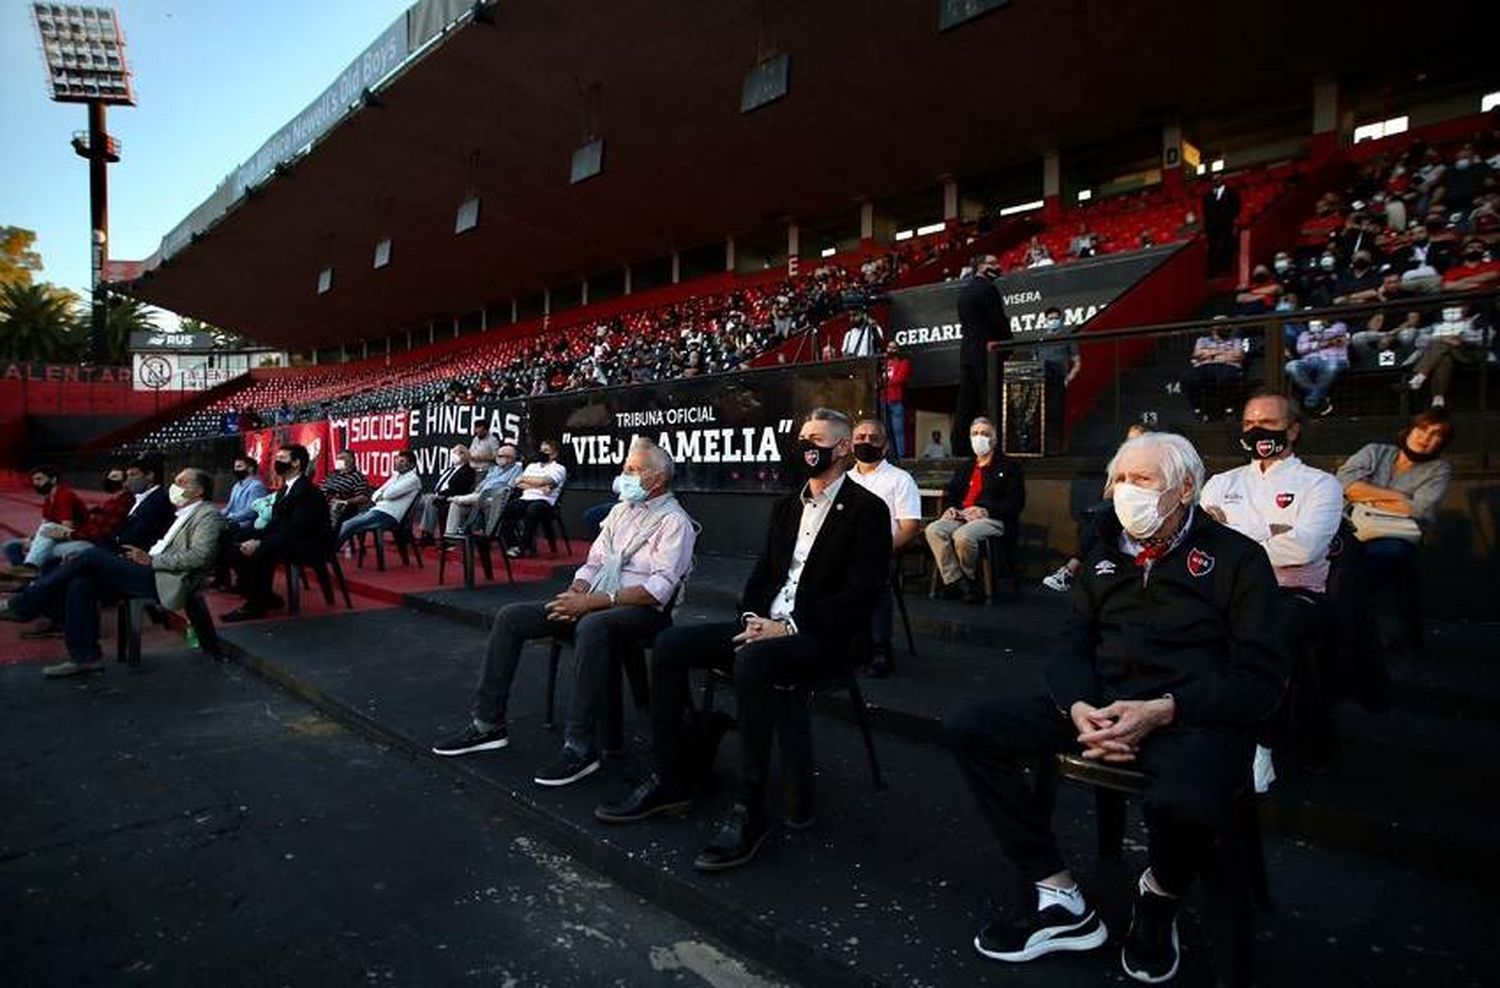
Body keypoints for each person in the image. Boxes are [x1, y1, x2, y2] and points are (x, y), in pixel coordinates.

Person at [946, 431, 1286, 980]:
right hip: (1100, 706)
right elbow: (1071, 644)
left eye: (1142, 480)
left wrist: (1164, 710)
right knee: (972, 728)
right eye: (1120, 480)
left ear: (1184, 490)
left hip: (1187, 714)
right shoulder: (1101, 550)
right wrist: (1079, 705)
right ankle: (1058, 895)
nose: (1126, 492)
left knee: (1185, 803)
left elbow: (1262, 678)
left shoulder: (1237, 559)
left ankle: (1159, 895)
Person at [593, 409, 890, 872]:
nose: (805, 446)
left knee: (754, 663)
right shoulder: (787, 505)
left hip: (820, 637)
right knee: (672, 647)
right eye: (801, 437)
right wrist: (753, 617)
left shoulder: (869, 510)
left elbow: (860, 593)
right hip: (764, 627)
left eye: (816, 438)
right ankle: (669, 778)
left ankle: (749, 809)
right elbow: (762, 576)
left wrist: (787, 627)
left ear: (844, 447)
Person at [431, 439, 696, 787]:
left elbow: (657, 590)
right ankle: (487, 724)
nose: (624, 476)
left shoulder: (675, 522)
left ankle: (580, 746)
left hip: (641, 611)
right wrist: (576, 591)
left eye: (632, 470)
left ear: (657, 479)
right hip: (596, 601)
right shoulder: (620, 511)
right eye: (625, 468)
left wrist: (591, 604)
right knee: (512, 616)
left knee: (592, 626)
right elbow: (593, 564)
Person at [1200, 392, 1343, 788]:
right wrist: (1270, 534)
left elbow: (1305, 548)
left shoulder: (1321, 484)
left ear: (1293, 430)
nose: (1258, 431)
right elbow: (1201, 541)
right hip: (1225, 591)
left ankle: (1262, 742)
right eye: (1249, 424)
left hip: (1294, 595)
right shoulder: (1220, 483)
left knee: (1265, 631)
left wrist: (1234, 537)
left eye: (1270, 423)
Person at [0, 468, 225, 679]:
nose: (174, 486)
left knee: (91, 557)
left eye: (181, 483)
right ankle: (85, 657)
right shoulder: (179, 513)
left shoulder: (207, 516)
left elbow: (200, 556)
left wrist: (152, 559)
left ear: (198, 491)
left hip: (166, 578)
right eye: (175, 481)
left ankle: (23, 604)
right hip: (147, 568)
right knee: (81, 583)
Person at [1336, 410, 1454, 648]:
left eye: (1436, 435)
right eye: (1422, 429)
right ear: (1410, 430)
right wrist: (1400, 497)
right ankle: (1354, 629)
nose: (1426, 438)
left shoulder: (1439, 469)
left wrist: (1366, 496)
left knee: (1383, 559)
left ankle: (1359, 631)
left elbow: (1420, 509)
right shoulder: (1375, 452)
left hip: (1396, 535)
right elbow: (1343, 483)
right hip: (1353, 526)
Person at [221, 444, 332, 622]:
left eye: (282, 458)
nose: (277, 462)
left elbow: (297, 529)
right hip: (287, 536)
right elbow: (276, 523)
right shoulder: (284, 489)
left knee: (262, 550)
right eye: (277, 458)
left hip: (308, 543)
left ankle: (255, 605)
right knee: (237, 541)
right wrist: (255, 536)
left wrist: (260, 542)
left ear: (296, 463)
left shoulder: (307, 492)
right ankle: (264, 596)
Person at [848, 418, 923, 677]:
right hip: (845, 554)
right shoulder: (842, 481)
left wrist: (879, 552)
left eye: (873, 438)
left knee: (874, 578)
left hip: (884, 553)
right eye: (860, 438)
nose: (866, 442)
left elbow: (910, 527)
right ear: (849, 444)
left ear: (886, 445)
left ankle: (880, 648)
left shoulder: (900, 480)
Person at [925, 417, 1026, 603]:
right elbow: (953, 493)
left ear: (994, 440)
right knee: (934, 529)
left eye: (985, 434)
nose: (979, 438)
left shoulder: (1009, 466)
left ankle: (971, 579)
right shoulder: (966, 467)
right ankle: (956, 580)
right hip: (962, 515)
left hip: (994, 518)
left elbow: (1016, 502)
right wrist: (951, 509)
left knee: (963, 536)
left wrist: (986, 511)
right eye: (975, 434)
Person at [1042, 423, 1150, 592]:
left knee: (1101, 520)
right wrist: (1120, 482)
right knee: (1096, 520)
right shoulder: (1119, 464)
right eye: (1129, 440)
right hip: (1119, 509)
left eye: (1136, 441)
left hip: (1143, 512)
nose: (1131, 445)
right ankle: (1086, 577)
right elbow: (1106, 495)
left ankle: (1071, 569)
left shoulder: (1153, 464)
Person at [954, 254, 1011, 457]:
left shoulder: (964, 292)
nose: (997, 266)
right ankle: (994, 446)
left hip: (967, 352)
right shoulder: (988, 289)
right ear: (980, 267)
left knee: (966, 401)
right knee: (991, 398)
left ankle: (959, 446)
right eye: (992, 264)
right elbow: (998, 321)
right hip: (987, 353)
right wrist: (1008, 342)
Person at [3, 464, 88, 575]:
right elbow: (45, 525)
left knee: (47, 531)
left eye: (39, 479)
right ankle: (25, 581)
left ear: (53, 480)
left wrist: (36, 543)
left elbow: (66, 529)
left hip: (78, 540)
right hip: (54, 538)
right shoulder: (49, 499)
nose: (35, 483)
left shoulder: (65, 495)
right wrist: (32, 540)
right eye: (33, 480)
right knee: (10, 546)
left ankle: (29, 568)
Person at [1406, 304, 1490, 408]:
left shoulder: (1472, 322)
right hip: (1443, 354)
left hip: (1466, 353)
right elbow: (1419, 340)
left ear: (1466, 308)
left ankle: (1420, 376)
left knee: (1440, 344)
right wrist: (1443, 338)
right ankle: (1438, 399)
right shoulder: (1438, 325)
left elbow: (1486, 337)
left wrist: (1462, 338)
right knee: (1445, 359)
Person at [336, 450, 423, 549]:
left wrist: (383, 495)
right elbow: (375, 495)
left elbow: (389, 494)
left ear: (411, 465)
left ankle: (328, 552)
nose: (397, 462)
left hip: (389, 516)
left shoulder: (413, 479)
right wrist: (382, 495)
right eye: (397, 459)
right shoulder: (396, 476)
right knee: (346, 523)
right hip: (378, 510)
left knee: (349, 524)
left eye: (402, 461)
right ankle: (329, 550)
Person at [502, 440, 568, 556]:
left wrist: (527, 480)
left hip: (545, 502)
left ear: (554, 454)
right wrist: (540, 486)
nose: (543, 453)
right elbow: (518, 482)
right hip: (526, 498)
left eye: (546, 451)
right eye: (541, 450)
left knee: (533, 510)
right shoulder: (532, 466)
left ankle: (523, 547)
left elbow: (545, 480)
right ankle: (512, 545)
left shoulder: (559, 468)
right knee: (508, 509)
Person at [445, 443, 523, 537]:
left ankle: (459, 499)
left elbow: (510, 487)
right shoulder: (494, 469)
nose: (498, 458)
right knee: (455, 504)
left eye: (500, 456)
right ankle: (450, 535)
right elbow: (484, 483)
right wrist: (478, 488)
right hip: (480, 496)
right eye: (498, 456)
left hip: (495, 498)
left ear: (510, 458)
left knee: (463, 499)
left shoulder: (516, 469)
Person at [1285, 318, 1349, 417]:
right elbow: (1301, 349)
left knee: (1332, 366)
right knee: (1291, 366)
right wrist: (1326, 343)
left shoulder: (1339, 325)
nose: (1315, 324)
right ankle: (1319, 396)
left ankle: (1312, 400)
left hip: (1334, 359)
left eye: (1318, 321)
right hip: (1310, 362)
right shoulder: (1304, 334)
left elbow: (1336, 332)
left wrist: (1316, 339)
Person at [1181, 321, 1244, 422]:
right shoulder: (1202, 340)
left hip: (1227, 366)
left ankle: (1228, 409)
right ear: (1213, 328)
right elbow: (1196, 355)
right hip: (1204, 368)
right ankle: (1198, 409)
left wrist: (1209, 353)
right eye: (1220, 324)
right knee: (1189, 379)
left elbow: (1238, 356)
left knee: (1225, 378)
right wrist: (1223, 351)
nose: (1224, 327)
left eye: (1226, 325)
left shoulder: (1236, 341)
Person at [416, 445, 477, 543]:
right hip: (439, 494)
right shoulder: (450, 469)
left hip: (452, 497)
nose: (453, 455)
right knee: (419, 499)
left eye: (456, 453)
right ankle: (424, 532)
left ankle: (428, 533)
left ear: (463, 455)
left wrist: (441, 495)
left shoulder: (468, 471)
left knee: (431, 500)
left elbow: (459, 488)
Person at [1202, 173, 1241, 276]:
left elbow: (1237, 208)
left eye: (1218, 178)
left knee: (1227, 247)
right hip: (1212, 228)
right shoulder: (1207, 196)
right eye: (1214, 179)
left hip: (1226, 226)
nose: (1217, 181)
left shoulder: (1231, 192)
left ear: (1222, 179)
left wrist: (1229, 219)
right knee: (1212, 249)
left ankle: (1226, 270)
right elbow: (1206, 213)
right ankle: (1213, 272)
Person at [322, 450, 372, 526]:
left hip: (341, 507)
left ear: (351, 460)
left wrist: (345, 502)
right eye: (337, 458)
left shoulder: (357, 477)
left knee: (334, 508)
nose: (338, 461)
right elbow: (322, 486)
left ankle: (330, 535)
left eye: (341, 458)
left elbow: (363, 497)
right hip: (323, 501)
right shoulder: (332, 474)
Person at [222, 456, 268, 534]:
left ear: (250, 468)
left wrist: (229, 517)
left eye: (239, 466)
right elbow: (229, 507)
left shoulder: (257, 486)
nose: (236, 470)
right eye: (235, 467)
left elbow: (251, 511)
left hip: (246, 525)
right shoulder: (236, 486)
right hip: (232, 521)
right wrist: (217, 515)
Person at [882, 339, 912, 459]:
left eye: (894, 348)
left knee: (898, 431)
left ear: (898, 350)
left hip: (896, 400)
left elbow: (900, 379)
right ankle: (891, 457)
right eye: (889, 347)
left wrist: (885, 382)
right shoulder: (883, 363)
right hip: (883, 400)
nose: (891, 350)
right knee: (887, 431)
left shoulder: (904, 362)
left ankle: (902, 458)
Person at [469, 417, 501, 482]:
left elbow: (496, 456)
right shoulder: (475, 439)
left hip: (484, 470)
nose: (478, 433)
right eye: (476, 431)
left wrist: (480, 458)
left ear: (485, 430)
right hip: (472, 469)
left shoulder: (493, 440)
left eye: (480, 432)